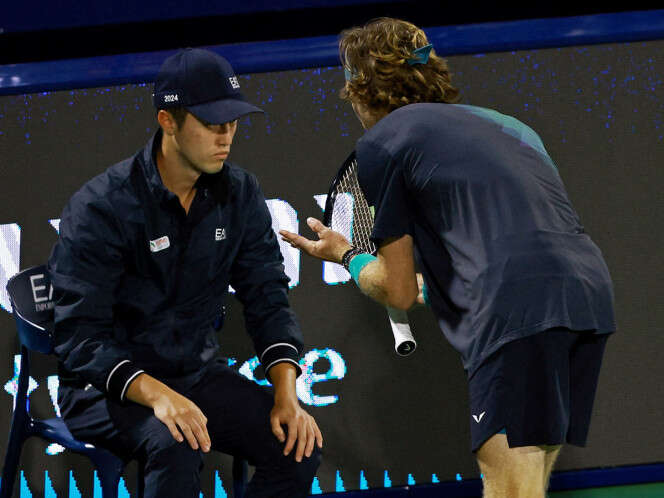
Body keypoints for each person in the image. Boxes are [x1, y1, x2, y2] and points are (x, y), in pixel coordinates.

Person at [280, 18, 615, 498]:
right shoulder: (510, 126)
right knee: (529, 483)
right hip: (588, 299)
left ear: (360, 90)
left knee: (509, 488)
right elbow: (516, 239)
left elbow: (395, 289)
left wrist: (346, 255)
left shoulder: (383, 142)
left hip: (515, 311)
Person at [48, 47, 322, 498]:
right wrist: (157, 395)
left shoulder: (240, 193)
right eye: (212, 124)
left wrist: (286, 396)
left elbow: (267, 296)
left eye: (232, 123)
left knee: (299, 446)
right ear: (168, 121)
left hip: (194, 375)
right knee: (177, 441)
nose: (226, 136)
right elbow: (81, 339)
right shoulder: (102, 206)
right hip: (104, 390)